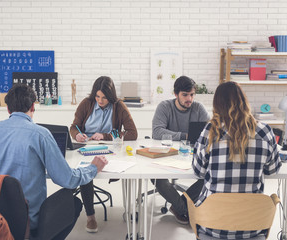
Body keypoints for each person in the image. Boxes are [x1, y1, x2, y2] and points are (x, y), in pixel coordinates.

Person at [0, 83, 108, 240]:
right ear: (33, 107)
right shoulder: (41, 135)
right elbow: (67, 179)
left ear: (8, 109)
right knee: (72, 201)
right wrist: (93, 168)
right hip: (29, 224)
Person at [192, 81, 281, 239]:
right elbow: (273, 170)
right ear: (244, 102)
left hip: (213, 227)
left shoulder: (210, 131)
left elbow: (199, 171)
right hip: (253, 226)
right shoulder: (265, 131)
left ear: (217, 105)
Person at [70, 76, 138, 233]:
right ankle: (91, 217)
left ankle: (128, 210)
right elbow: (74, 127)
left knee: (127, 169)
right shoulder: (86, 104)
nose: (100, 101)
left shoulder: (119, 106)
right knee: (85, 170)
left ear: (111, 96)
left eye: (104, 98)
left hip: (110, 150)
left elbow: (132, 133)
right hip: (85, 148)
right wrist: (77, 135)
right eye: (97, 96)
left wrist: (106, 136)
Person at [151, 75, 210, 224]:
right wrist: (186, 136)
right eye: (185, 95)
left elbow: (211, 130)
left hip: (192, 154)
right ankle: (185, 210)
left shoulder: (198, 108)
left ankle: (180, 207)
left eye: (192, 95)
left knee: (211, 174)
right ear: (176, 94)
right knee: (156, 176)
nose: (189, 99)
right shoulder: (165, 106)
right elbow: (157, 132)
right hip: (166, 154)